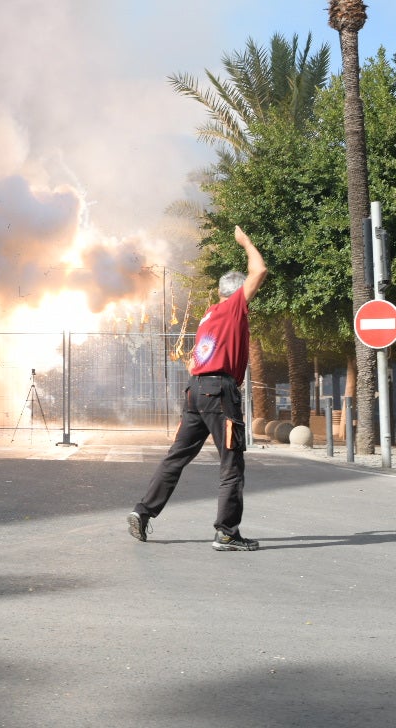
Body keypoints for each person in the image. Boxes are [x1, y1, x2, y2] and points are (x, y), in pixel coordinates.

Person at [127, 226, 267, 550]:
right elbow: (259, 270)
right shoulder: (233, 308)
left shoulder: (209, 315)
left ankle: (142, 512)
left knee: (176, 457)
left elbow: (194, 360)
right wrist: (246, 241)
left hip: (196, 391)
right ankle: (227, 533)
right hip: (219, 393)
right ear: (237, 294)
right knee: (232, 463)